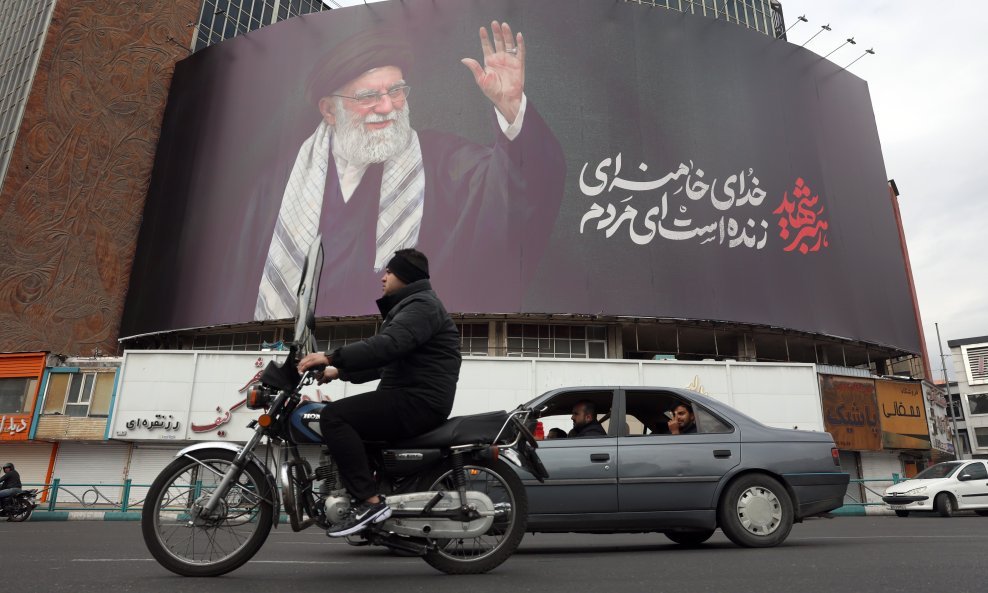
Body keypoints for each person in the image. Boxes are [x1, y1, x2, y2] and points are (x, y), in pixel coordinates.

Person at [253, 20, 566, 321]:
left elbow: (518, 183)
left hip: (405, 348)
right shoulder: (280, 186)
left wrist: (510, 107)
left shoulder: (443, 160)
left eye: (397, 91)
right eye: (368, 96)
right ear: (329, 110)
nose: (388, 107)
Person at [296, 248, 461, 537]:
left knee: (334, 417)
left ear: (405, 275)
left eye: (389, 271)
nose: (382, 277)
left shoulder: (422, 306)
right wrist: (340, 372)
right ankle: (375, 510)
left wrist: (332, 356)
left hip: (418, 400)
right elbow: (387, 361)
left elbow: (387, 346)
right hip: (412, 395)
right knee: (358, 432)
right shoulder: (414, 306)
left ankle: (370, 504)